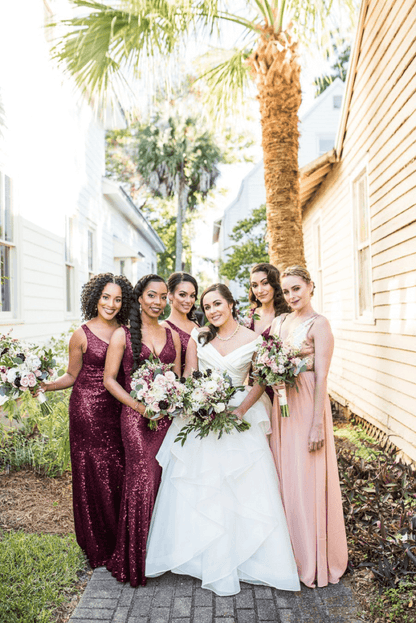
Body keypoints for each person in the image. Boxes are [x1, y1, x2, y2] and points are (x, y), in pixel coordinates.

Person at [146, 284, 300, 596]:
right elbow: (190, 376)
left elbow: (259, 379)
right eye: (208, 306)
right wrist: (199, 404)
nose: (213, 310)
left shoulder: (254, 338)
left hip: (240, 414)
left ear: (230, 304)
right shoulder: (198, 337)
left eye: (218, 303)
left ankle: (248, 557)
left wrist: (241, 410)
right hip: (204, 413)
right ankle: (199, 557)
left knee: (242, 484)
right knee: (201, 484)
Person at [41, 273, 133, 568]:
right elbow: (71, 375)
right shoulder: (81, 334)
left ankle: (121, 538)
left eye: (118, 299)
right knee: (92, 472)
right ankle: (97, 543)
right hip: (87, 411)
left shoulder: (127, 330)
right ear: (95, 298)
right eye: (106, 297)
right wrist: (44, 386)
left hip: (119, 407)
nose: (111, 304)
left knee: (119, 469)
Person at [269, 266, 348, 588]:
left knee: (306, 479)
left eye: (297, 288)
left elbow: (322, 379)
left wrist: (317, 424)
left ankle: (312, 558)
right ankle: (287, 554)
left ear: (311, 287)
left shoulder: (320, 325)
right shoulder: (279, 322)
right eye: (286, 291)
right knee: (285, 477)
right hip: (281, 408)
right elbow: (267, 359)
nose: (292, 296)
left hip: (306, 410)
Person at [103, 274, 181, 587]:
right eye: (152, 295)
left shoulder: (171, 333)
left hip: (165, 418)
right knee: (143, 481)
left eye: (163, 297)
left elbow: (175, 374)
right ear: (139, 298)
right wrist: (139, 407)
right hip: (136, 419)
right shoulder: (122, 335)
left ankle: (160, 555)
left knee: (164, 480)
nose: (158, 302)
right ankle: (133, 559)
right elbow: (109, 379)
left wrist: (171, 397)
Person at [246, 263, 289, 403]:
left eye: (265, 283)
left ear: (275, 284)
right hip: (253, 388)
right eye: (255, 285)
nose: (260, 290)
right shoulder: (249, 316)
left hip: (278, 388)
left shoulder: (286, 317)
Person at [160, 272, 199, 375]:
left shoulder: (197, 326)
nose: (188, 300)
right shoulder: (164, 328)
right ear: (170, 295)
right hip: (180, 387)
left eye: (192, 296)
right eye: (182, 295)